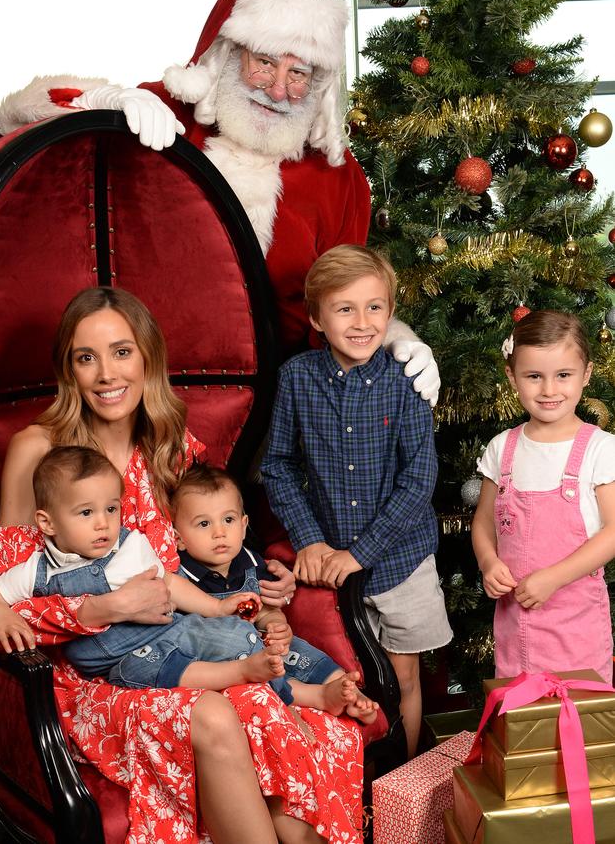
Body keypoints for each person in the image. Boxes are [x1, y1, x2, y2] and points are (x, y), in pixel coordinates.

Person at [0, 286, 364, 844]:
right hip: (93, 679)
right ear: (69, 370)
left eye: (122, 352)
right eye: (87, 357)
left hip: (184, 646)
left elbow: (210, 543)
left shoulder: (171, 447)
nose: (107, 373)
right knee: (219, 712)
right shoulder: (40, 452)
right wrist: (101, 609)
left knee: (293, 732)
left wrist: (258, 585)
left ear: (147, 358)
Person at [0, 0, 441, 402]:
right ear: (228, 54)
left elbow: (349, 299)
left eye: (298, 73)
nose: (279, 90)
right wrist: (104, 101)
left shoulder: (336, 177)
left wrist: (396, 342)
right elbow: (16, 121)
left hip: (276, 407)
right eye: (264, 63)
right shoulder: (166, 118)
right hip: (143, 393)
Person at [261, 245, 452, 758]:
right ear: (317, 318)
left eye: (375, 307)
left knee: (403, 675)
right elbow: (277, 466)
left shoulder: (406, 381)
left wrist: (359, 554)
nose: (362, 322)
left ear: (391, 313)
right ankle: (359, 783)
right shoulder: (297, 378)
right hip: (328, 560)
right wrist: (311, 541)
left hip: (401, 559)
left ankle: (400, 782)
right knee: (348, 675)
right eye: (345, 309)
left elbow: (419, 479)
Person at [0, 445, 290, 694]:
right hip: (120, 659)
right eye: (86, 512)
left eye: (111, 509)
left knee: (233, 635)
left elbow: (168, 581)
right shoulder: (38, 569)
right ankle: (243, 672)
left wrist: (218, 607)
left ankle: (275, 681)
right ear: (47, 523)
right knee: (144, 670)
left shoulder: (130, 546)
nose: (103, 523)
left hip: (168, 630)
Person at [472, 310, 615, 684]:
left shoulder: (601, 450)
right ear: (512, 377)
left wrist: (553, 578)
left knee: (580, 724)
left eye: (563, 376)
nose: (549, 390)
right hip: (514, 627)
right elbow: (484, 523)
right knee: (522, 728)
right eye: (534, 376)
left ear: (585, 375)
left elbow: (613, 533)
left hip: (576, 628)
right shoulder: (502, 448)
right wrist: (489, 563)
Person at [174, 463, 379, 721]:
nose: (220, 532)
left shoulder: (252, 562)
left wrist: (277, 625)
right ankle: (321, 696)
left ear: (244, 523)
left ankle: (349, 693)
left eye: (228, 520)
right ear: (178, 537)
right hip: (222, 658)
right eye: (204, 523)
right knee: (267, 676)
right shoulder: (182, 577)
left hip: (263, 642)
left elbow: (267, 610)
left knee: (304, 652)